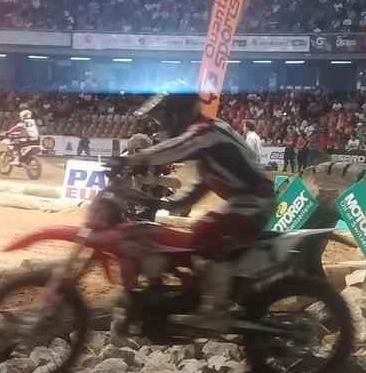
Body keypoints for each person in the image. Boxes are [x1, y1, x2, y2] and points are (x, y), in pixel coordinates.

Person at [111, 92, 275, 332]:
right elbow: (198, 190)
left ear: (178, 114)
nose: (162, 126)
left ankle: (217, 312)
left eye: (164, 119)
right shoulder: (207, 144)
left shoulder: (205, 132)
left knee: (206, 232)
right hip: (245, 200)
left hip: (255, 200)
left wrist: (131, 160)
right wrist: (162, 204)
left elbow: (176, 148)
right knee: (196, 235)